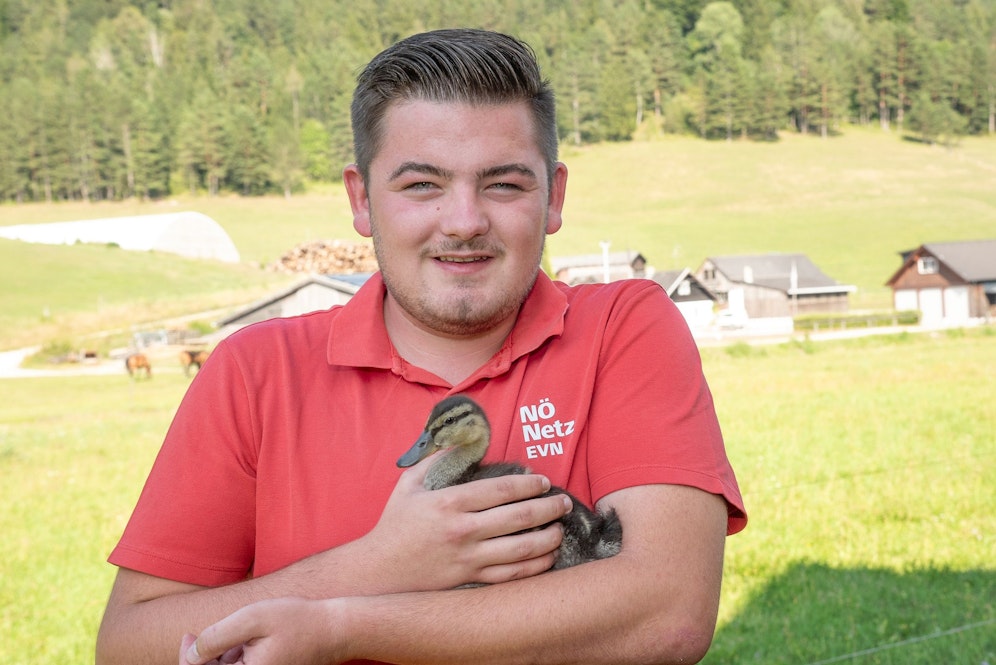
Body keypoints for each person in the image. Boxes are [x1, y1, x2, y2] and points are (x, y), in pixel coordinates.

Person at [96, 28, 746, 665]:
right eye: (421, 185)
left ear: (555, 197)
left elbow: (667, 613)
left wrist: (341, 626)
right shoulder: (253, 371)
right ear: (361, 199)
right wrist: (379, 562)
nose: (463, 221)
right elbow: (129, 645)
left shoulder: (623, 328)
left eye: (504, 184)